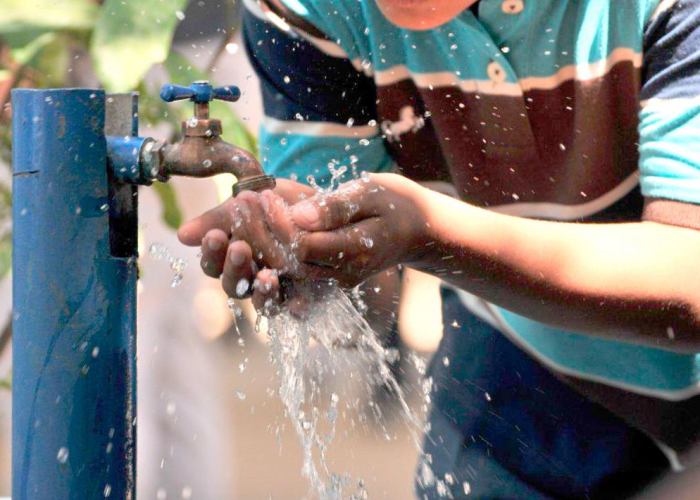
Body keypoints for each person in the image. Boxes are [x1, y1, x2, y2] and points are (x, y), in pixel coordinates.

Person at [178, 0, 700, 498]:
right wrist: (305, 253)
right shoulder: (310, 8)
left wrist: (432, 235)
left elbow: (690, 276)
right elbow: (355, 281)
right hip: (513, 368)